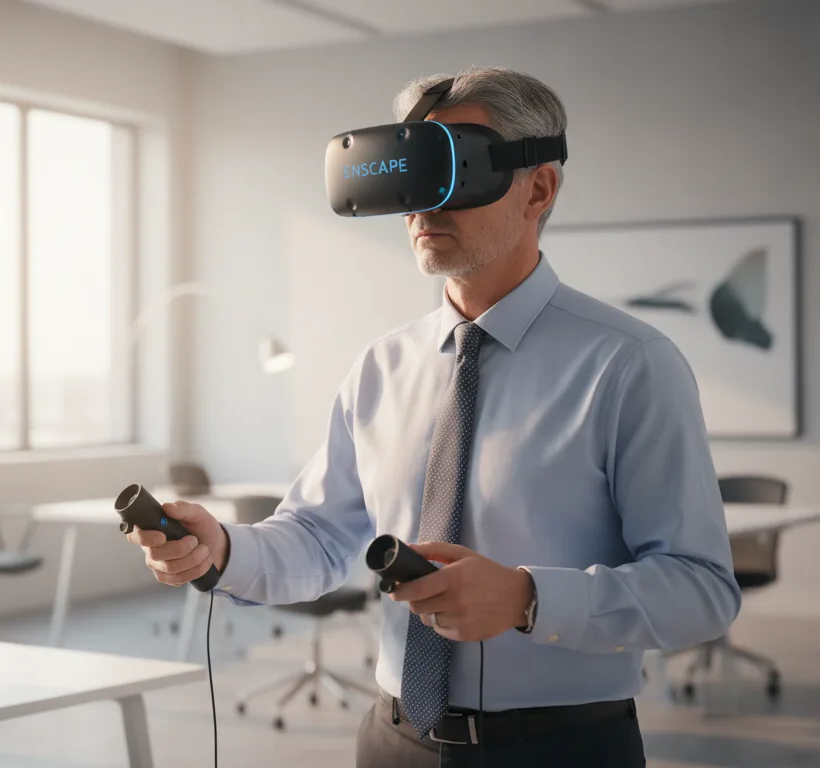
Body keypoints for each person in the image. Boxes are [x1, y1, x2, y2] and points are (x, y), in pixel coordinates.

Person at [123, 66, 740, 767]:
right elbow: (321, 541)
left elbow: (702, 589)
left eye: (449, 170)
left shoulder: (629, 364)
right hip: (393, 743)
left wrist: (527, 599)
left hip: (561, 748)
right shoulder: (381, 369)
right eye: (410, 177)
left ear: (538, 188)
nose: (421, 206)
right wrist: (224, 549)